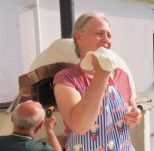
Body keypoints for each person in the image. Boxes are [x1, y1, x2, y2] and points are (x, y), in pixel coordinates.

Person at [53, 12, 142, 151]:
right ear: (79, 37)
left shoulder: (121, 75)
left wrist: (135, 116)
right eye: (100, 33)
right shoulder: (66, 78)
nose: (106, 40)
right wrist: (101, 75)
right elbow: (79, 126)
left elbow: (133, 114)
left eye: (109, 35)